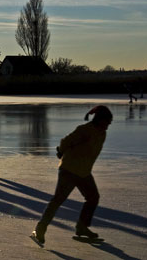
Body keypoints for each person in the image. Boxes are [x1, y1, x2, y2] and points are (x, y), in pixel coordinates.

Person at [31, 105, 113, 246]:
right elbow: (65, 142)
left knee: (93, 198)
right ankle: (40, 228)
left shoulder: (102, 134)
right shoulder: (84, 130)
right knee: (58, 200)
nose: (107, 126)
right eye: (106, 122)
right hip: (69, 170)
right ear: (99, 120)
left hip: (84, 172)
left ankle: (82, 227)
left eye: (109, 123)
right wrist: (61, 152)